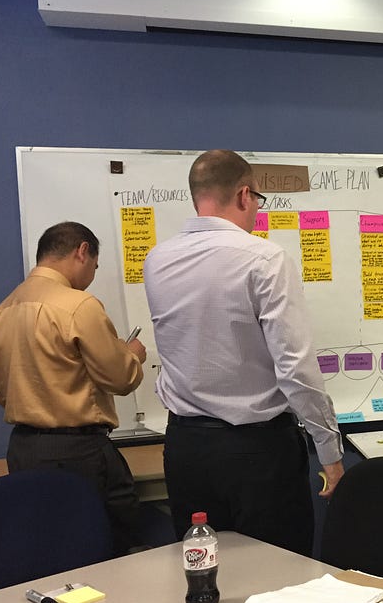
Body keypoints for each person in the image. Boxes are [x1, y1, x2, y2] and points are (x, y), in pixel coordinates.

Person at [144, 149, 344, 556]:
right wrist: (330, 453)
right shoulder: (265, 259)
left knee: (205, 576)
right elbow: (296, 368)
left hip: (187, 449)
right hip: (259, 454)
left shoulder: (156, 260)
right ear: (244, 194)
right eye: (257, 201)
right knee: (280, 580)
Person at [0, 221, 147, 554]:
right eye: (95, 267)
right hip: (77, 452)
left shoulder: (2, 311)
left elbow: (2, 391)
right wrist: (131, 355)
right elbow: (120, 379)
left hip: (23, 447)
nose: (91, 277)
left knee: (47, 549)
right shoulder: (78, 305)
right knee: (106, 546)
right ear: (82, 251)